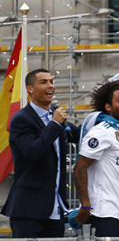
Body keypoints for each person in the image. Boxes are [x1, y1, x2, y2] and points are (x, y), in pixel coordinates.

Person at [1, 68, 79, 238]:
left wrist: (101, 119)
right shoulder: (22, 119)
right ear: (30, 89)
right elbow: (33, 152)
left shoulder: (56, 119)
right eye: (44, 82)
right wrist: (54, 125)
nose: (50, 86)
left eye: (52, 81)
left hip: (55, 210)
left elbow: (79, 135)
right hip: (29, 209)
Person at [73, 80, 119, 237]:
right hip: (102, 213)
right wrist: (86, 206)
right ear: (108, 107)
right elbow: (80, 167)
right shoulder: (101, 131)